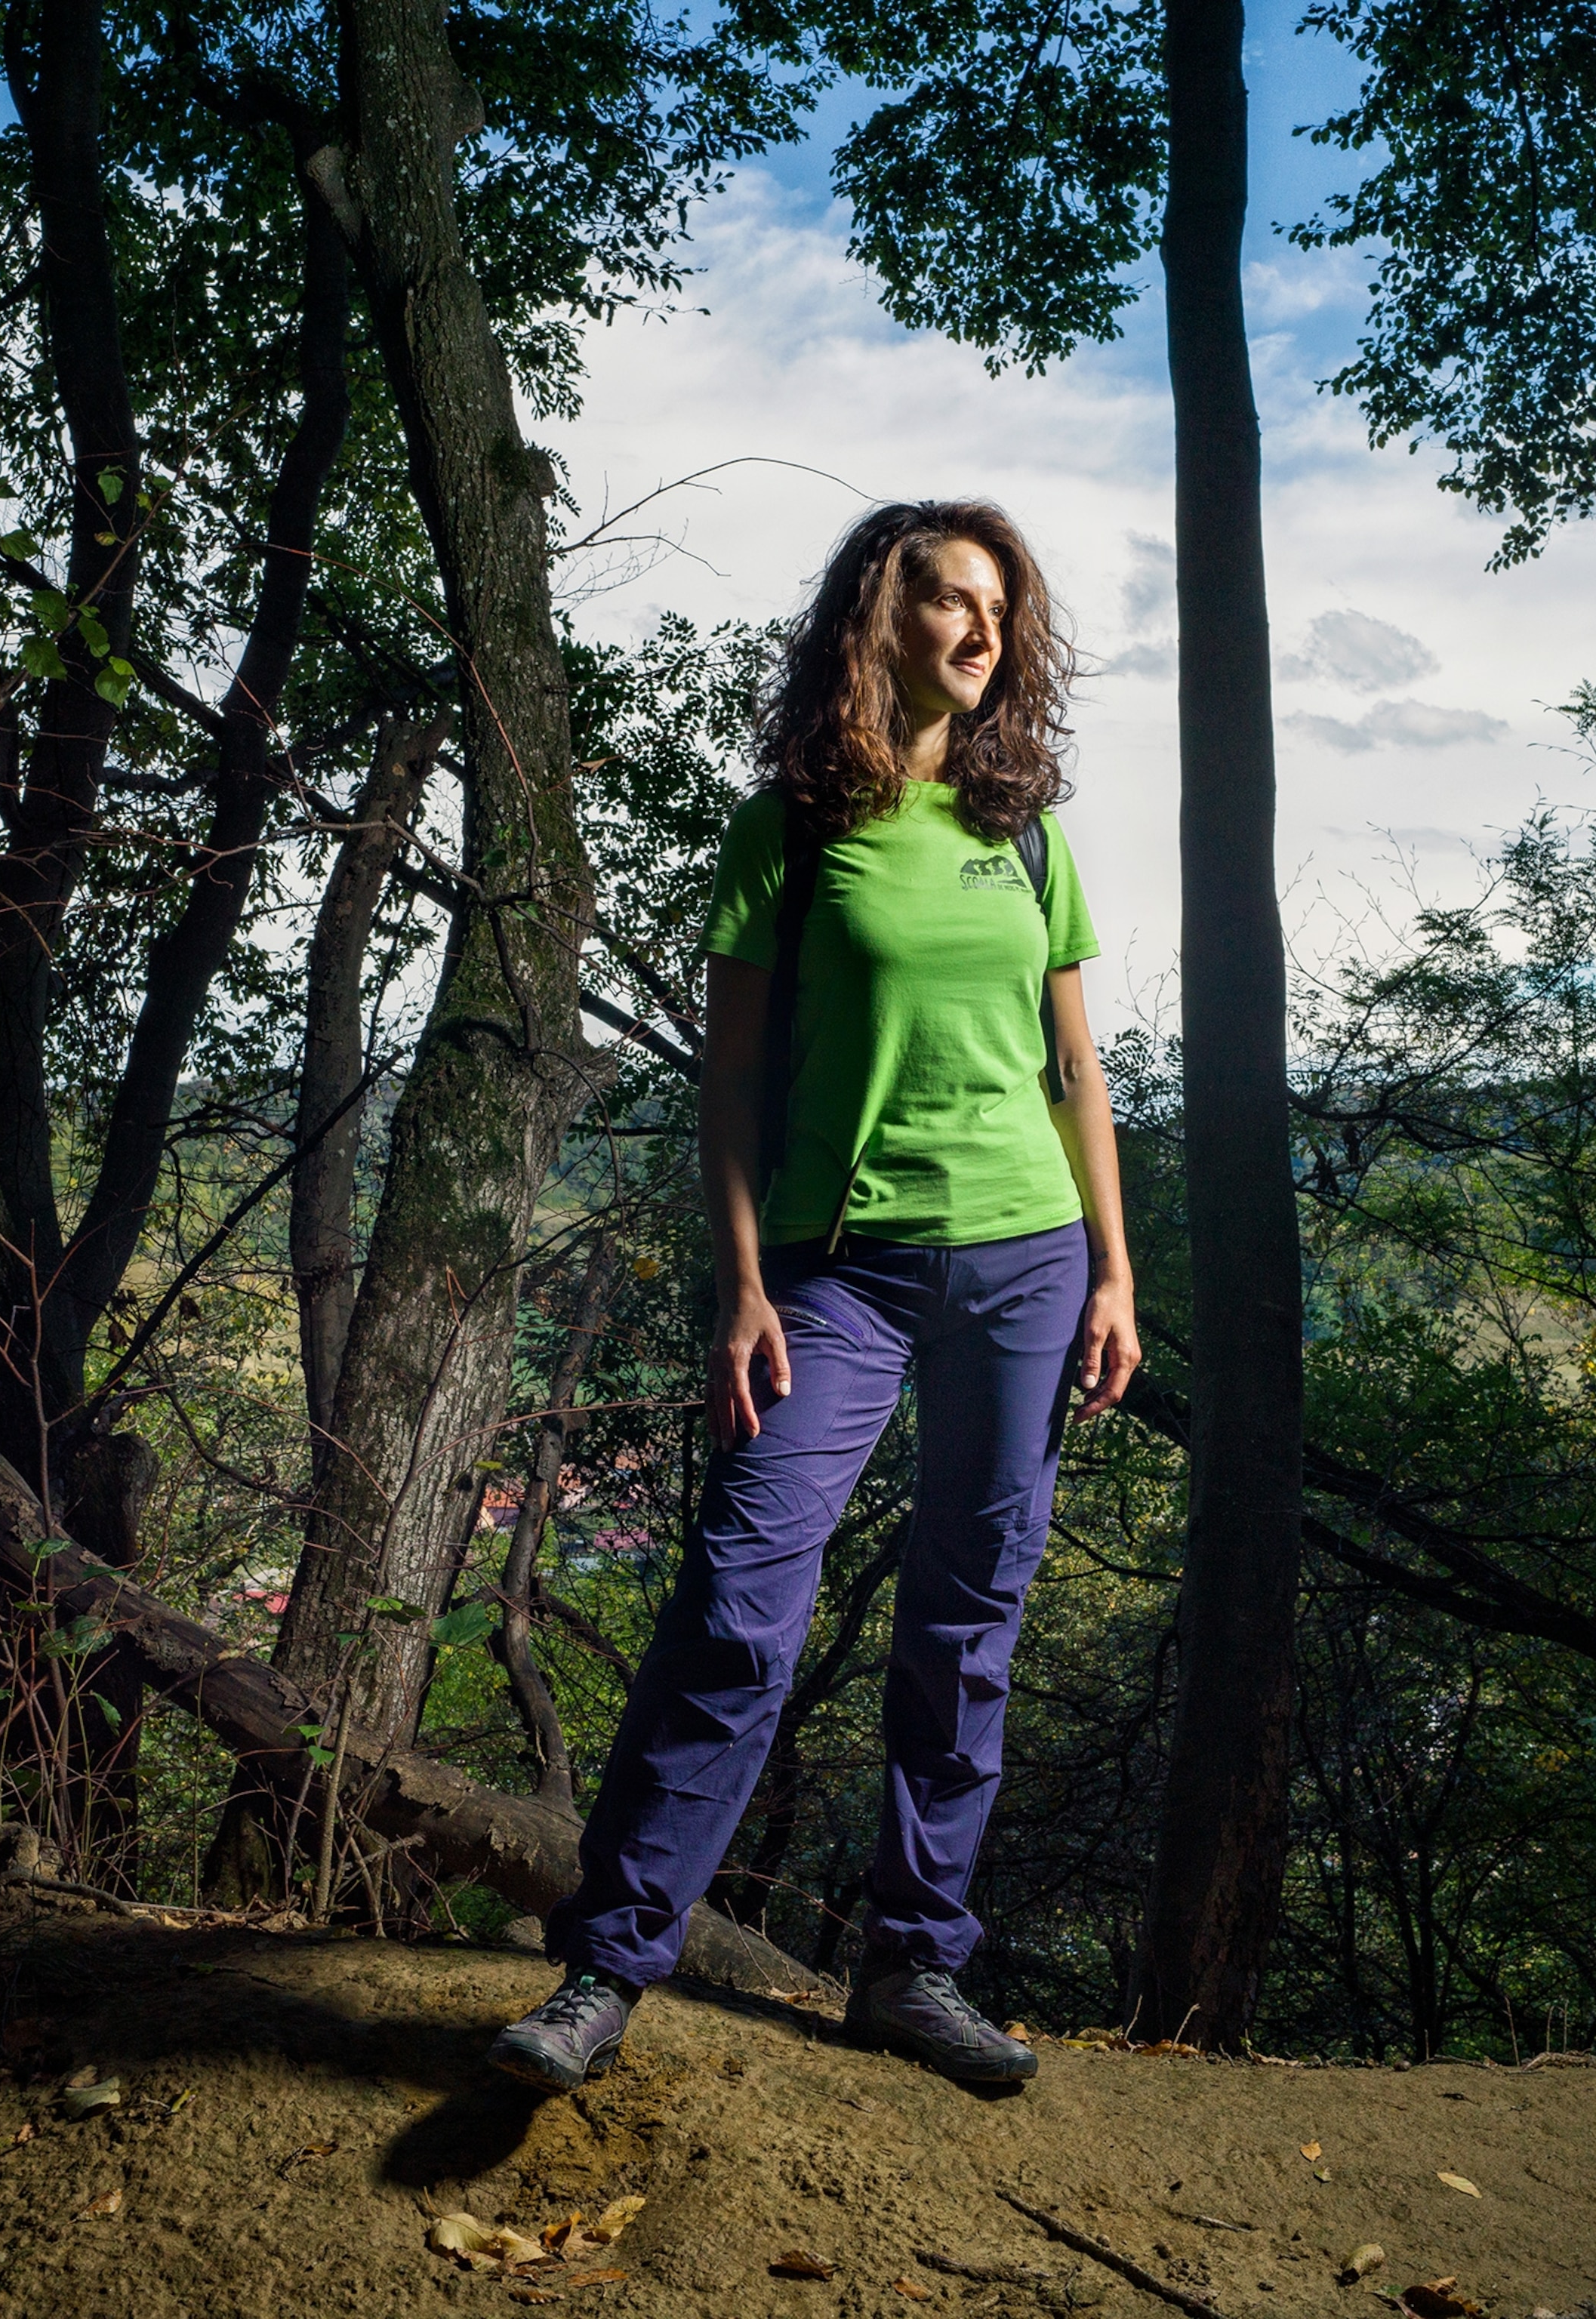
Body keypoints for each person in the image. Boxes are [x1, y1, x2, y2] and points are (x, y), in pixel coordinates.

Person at [488, 500, 1141, 2093]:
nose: (985, 632)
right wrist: (739, 1285)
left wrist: (1115, 1269)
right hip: (836, 1272)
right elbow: (731, 1086)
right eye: (954, 602)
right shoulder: (790, 825)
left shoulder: (1028, 835)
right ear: (881, 618)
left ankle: (913, 1966)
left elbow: (1074, 1068)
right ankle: (605, 1969)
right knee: (736, 1603)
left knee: (968, 1624)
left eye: (1002, 610)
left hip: (1025, 1264)